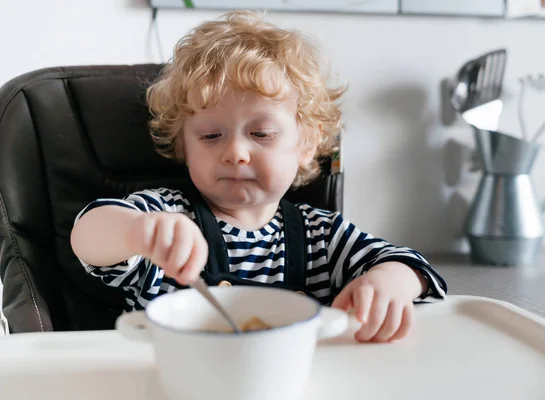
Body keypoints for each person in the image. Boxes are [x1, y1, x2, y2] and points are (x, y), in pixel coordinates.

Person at [70, 10, 447, 343]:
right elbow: (88, 235)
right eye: (211, 136)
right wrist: (138, 232)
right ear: (184, 145)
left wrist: (388, 282)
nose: (235, 153)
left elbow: (417, 269)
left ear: (306, 144)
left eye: (261, 134)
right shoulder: (168, 216)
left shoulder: (322, 236)